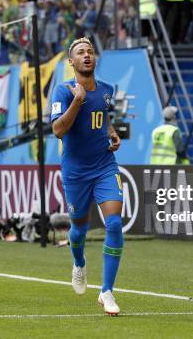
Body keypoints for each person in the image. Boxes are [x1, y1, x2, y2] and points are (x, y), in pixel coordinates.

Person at [51, 37, 123, 316]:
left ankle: (106, 291)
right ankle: (79, 263)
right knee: (79, 228)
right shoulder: (64, 91)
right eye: (80, 53)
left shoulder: (107, 90)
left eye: (90, 51)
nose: (87, 55)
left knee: (114, 224)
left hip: (105, 165)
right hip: (76, 172)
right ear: (72, 62)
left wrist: (111, 131)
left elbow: (102, 115)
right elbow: (58, 130)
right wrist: (77, 102)